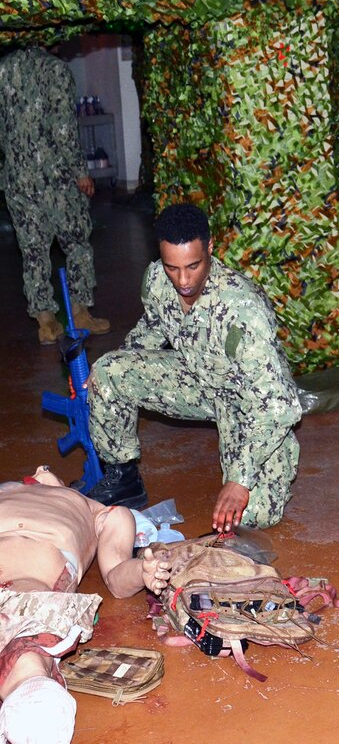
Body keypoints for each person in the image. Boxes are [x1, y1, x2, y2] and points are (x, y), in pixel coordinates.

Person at [85, 203, 303, 529]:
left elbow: (279, 403)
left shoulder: (242, 308)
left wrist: (240, 480)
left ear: (210, 247)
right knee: (107, 370)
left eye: (193, 265)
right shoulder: (158, 279)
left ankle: (262, 470)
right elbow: (154, 327)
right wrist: (114, 371)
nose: (183, 279)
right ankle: (123, 479)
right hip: (195, 378)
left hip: (245, 399)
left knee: (251, 517)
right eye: (173, 267)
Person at [0, 466, 171, 744]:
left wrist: (142, 572)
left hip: (29, 584)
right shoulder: (8, 488)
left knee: (25, 653)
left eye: (46, 469)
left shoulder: (102, 513)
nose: (40, 470)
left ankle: (33, 703)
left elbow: (116, 579)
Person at [0, 45, 110, 345]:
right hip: (56, 178)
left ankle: (46, 322)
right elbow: (64, 128)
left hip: (18, 179)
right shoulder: (55, 69)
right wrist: (80, 172)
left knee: (32, 249)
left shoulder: (3, 69)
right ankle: (80, 311)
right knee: (76, 241)